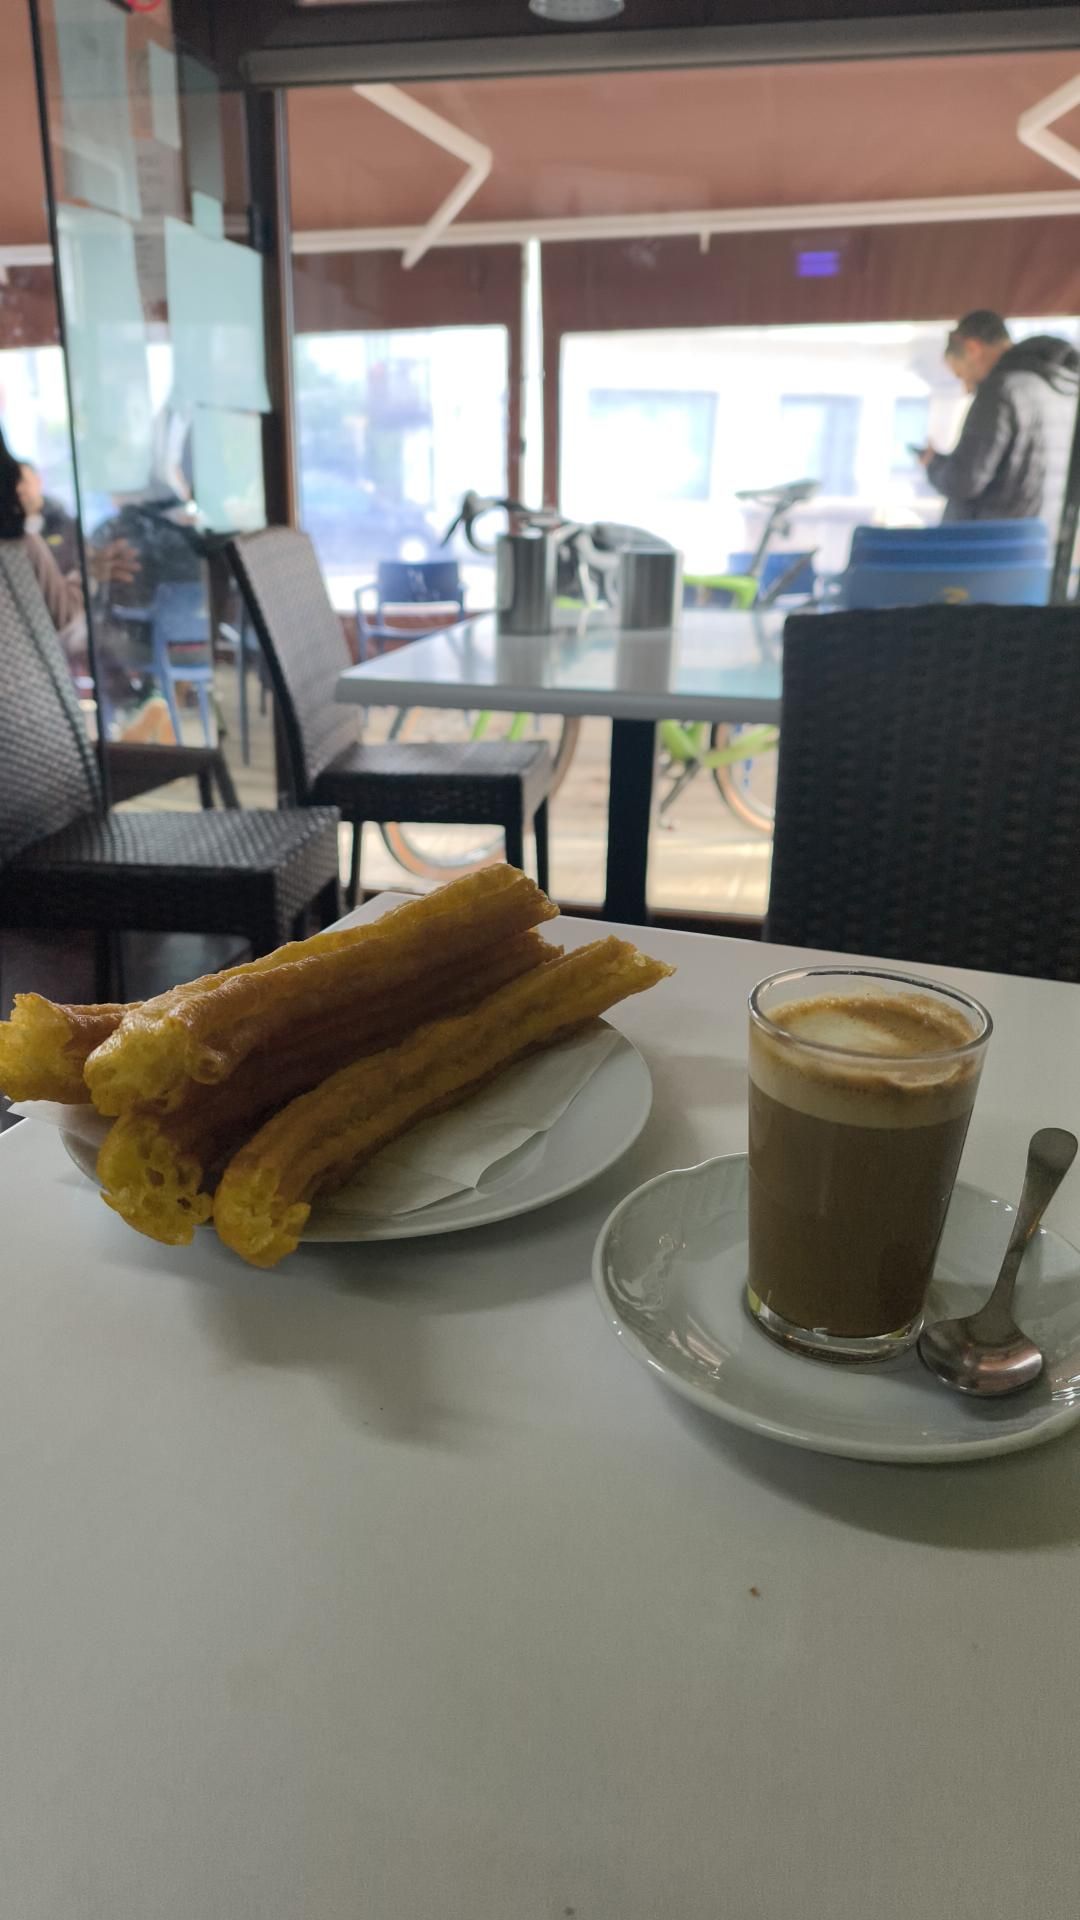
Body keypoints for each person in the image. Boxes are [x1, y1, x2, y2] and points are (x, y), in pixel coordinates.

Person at [918, 310, 1080, 523]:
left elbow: (965, 481)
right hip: (1038, 536)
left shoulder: (1000, 391)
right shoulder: (1061, 388)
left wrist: (933, 464)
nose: (966, 389)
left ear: (973, 348)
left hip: (991, 536)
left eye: (961, 375)